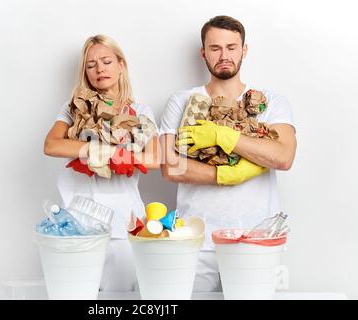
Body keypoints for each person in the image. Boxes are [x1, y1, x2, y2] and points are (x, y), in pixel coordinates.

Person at [159, 15, 297, 291]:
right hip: (196, 240)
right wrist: (228, 174)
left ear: (244, 50)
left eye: (232, 47)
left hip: (257, 240)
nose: (224, 55)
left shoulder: (270, 102)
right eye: (215, 48)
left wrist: (224, 136)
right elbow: (170, 167)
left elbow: (283, 157)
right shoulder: (181, 101)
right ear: (203, 53)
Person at [44, 35, 160, 291]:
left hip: (122, 222)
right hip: (77, 226)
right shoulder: (73, 109)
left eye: (107, 61)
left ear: (121, 65)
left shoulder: (139, 113)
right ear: (85, 72)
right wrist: (97, 150)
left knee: (119, 297)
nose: (100, 69)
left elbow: (154, 158)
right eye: (91, 65)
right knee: (75, 294)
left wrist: (121, 157)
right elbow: (52, 145)